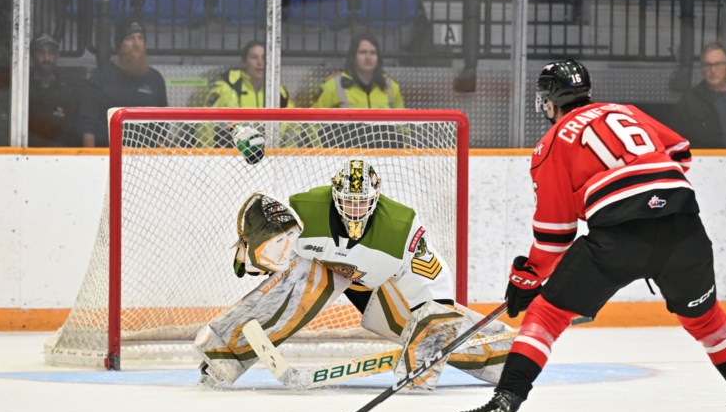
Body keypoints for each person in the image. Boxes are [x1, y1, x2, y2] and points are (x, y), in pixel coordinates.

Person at [447, 59, 726, 412]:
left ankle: (501, 408)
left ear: (550, 101)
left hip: (620, 235)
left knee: (546, 313)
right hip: (683, 226)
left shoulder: (551, 143)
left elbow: (556, 234)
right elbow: (681, 153)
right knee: (707, 321)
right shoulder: (628, 111)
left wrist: (528, 276)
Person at [194, 158, 511, 390]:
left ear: (376, 197)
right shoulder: (306, 210)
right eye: (347, 201)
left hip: (382, 286)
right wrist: (253, 255)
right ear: (334, 195)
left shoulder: (402, 228)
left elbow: (434, 284)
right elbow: (276, 254)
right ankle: (223, 354)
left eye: (362, 203)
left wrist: (431, 331)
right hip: (330, 272)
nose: (354, 210)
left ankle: (506, 360)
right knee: (300, 280)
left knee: (436, 325)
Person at [76, 17, 168, 147]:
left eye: (140, 38)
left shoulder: (155, 79)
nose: (136, 44)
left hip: (146, 160)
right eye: (130, 38)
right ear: (120, 44)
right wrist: (91, 159)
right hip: (107, 157)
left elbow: (162, 127)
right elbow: (88, 128)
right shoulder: (99, 78)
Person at [192, 40, 299, 148]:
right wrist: (207, 153)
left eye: (264, 58)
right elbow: (205, 122)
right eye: (254, 57)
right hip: (230, 157)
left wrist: (287, 153)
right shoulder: (226, 88)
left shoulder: (278, 92)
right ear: (244, 63)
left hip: (270, 156)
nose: (259, 62)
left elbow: (294, 125)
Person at [669, 41, 726, 149]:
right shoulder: (689, 101)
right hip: (704, 162)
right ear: (702, 69)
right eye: (708, 65)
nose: (713, 70)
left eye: (718, 64)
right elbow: (675, 141)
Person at [312, 33, 405, 110]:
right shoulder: (333, 86)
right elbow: (314, 122)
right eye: (363, 52)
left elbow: (403, 125)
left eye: (373, 53)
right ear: (353, 56)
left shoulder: (391, 86)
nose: (368, 58)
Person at [27, 33, 84, 147]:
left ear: (57, 56)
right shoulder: (23, 88)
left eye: (51, 52)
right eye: (40, 52)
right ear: (32, 56)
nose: (46, 58)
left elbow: (74, 133)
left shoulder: (70, 90)